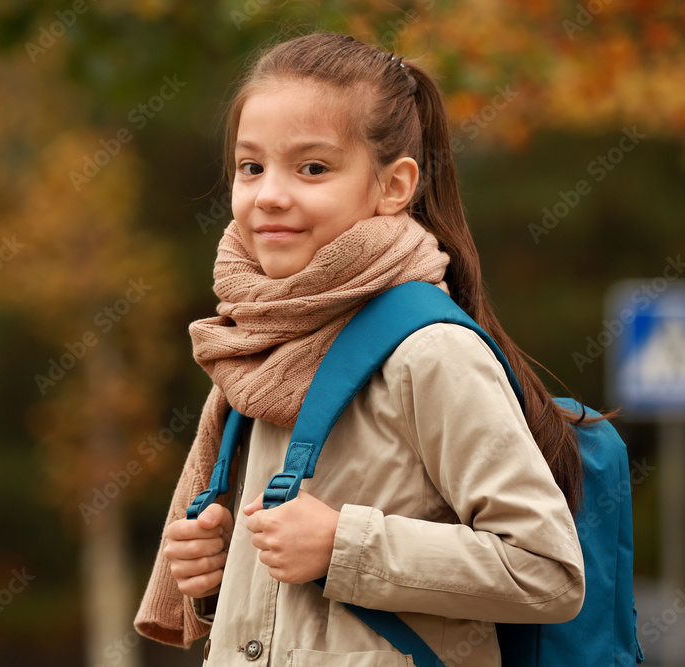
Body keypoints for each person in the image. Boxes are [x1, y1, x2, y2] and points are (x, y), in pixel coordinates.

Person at [134, 33, 586, 666]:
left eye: (312, 168)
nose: (269, 195)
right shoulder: (257, 348)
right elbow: (302, 612)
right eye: (251, 166)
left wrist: (344, 546)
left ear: (393, 186)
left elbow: (549, 572)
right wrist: (217, 577)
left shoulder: (431, 353)